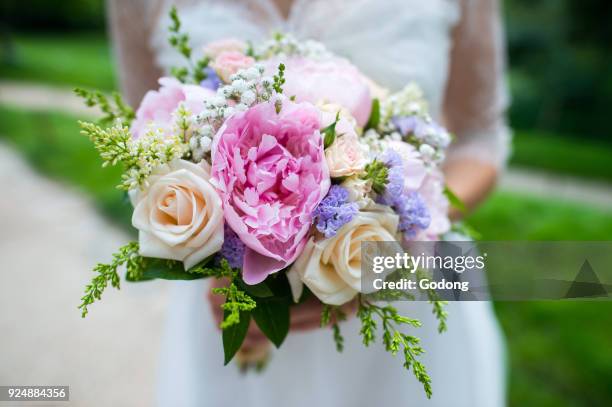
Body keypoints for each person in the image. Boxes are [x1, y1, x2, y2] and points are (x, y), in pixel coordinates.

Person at [107, 1, 509, 406]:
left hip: (404, 293)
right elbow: (145, 144)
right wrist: (223, 250)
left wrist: (375, 250)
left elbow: (481, 139)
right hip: (232, 310)